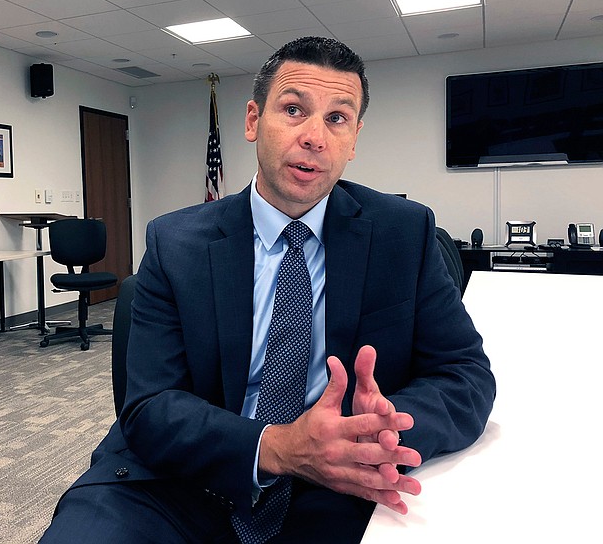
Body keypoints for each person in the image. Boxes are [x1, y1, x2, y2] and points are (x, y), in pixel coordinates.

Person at [40, 36, 496, 544]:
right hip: (181, 479)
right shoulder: (175, 242)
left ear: (354, 138)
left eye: (337, 118)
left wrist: (379, 433)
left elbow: (465, 375)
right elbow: (149, 405)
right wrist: (276, 446)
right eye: (294, 109)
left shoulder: (403, 234)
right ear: (254, 121)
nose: (315, 136)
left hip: (337, 485)